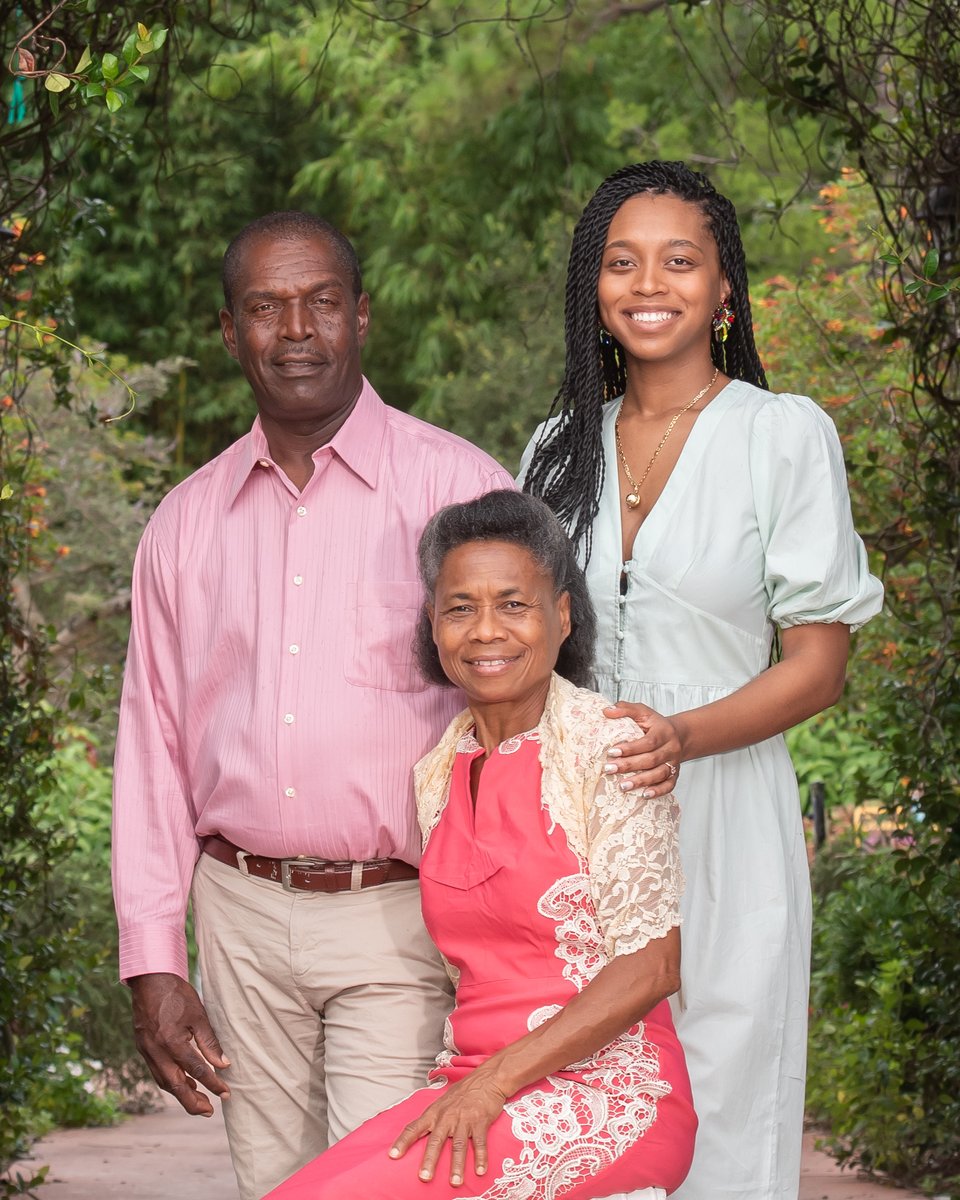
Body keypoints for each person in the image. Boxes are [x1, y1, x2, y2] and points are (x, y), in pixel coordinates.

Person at [111, 211, 514, 1200]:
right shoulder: (184, 524)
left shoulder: (460, 491)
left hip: (401, 917)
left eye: (320, 302)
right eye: (266, 307)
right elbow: (153, 746)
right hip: (241, 918)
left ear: (361, 317)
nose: (296, 330)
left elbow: (525, 722)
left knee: (382, 1187)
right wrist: (154, 961)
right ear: (229, 331)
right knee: (274, 1188)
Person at [519, 161, 884, 1200]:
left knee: (726, 1111)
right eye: (622, 261)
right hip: (581, 829)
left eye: (681, 260)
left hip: (724, 813)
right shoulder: (554, 451)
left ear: (725, 291)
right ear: (593, 286)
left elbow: (818, 667)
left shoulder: (782, 436)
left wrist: (681, 735)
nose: (650, 283)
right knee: (586, 1117)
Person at [266, 489, 697, 1199]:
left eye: (514, 604)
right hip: (471, 1087)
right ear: (433, 625)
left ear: (561, 615)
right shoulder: (438, 770)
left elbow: (651, 969)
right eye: (460, 607)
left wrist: (491, 1085)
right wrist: (476, 1086)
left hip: (606, 1091)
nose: (486, 630)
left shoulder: (610, 748)